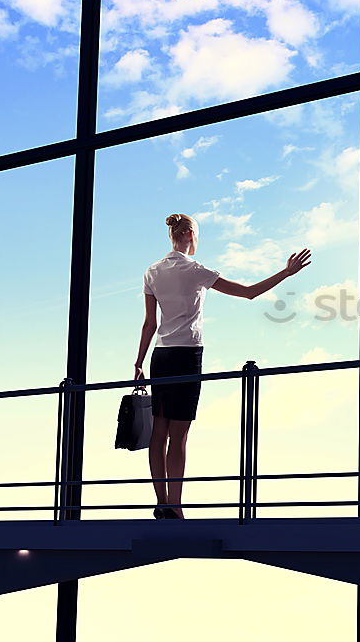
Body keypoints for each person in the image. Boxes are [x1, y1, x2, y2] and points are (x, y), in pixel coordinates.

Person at [133, 213, 311, 519]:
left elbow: (150, 323)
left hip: (160, 356)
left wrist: (138, 364)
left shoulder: (152, 271)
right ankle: (175, 506)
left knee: (158, 431)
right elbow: (249, 292)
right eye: (198, 235)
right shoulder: (196, 270)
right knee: (179, 434)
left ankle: (161, 502)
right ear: (189, 234)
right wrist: (286, 273)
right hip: (187, 356)